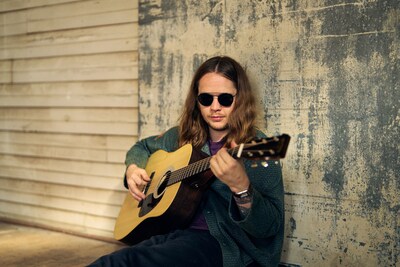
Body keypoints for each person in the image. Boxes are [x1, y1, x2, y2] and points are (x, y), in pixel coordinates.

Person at [88, 56, 285, 267]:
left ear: (240, 99)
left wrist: (241, 187)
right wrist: (133, 169)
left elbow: (269, 227)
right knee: (110, 261)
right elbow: (142, 147)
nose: (215, 107)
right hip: (175, 233)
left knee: (125, 262)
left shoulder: (258, 146)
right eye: (206, 99)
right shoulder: (183, 137)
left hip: (224, 245)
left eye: (225, 99)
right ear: (197, 101)